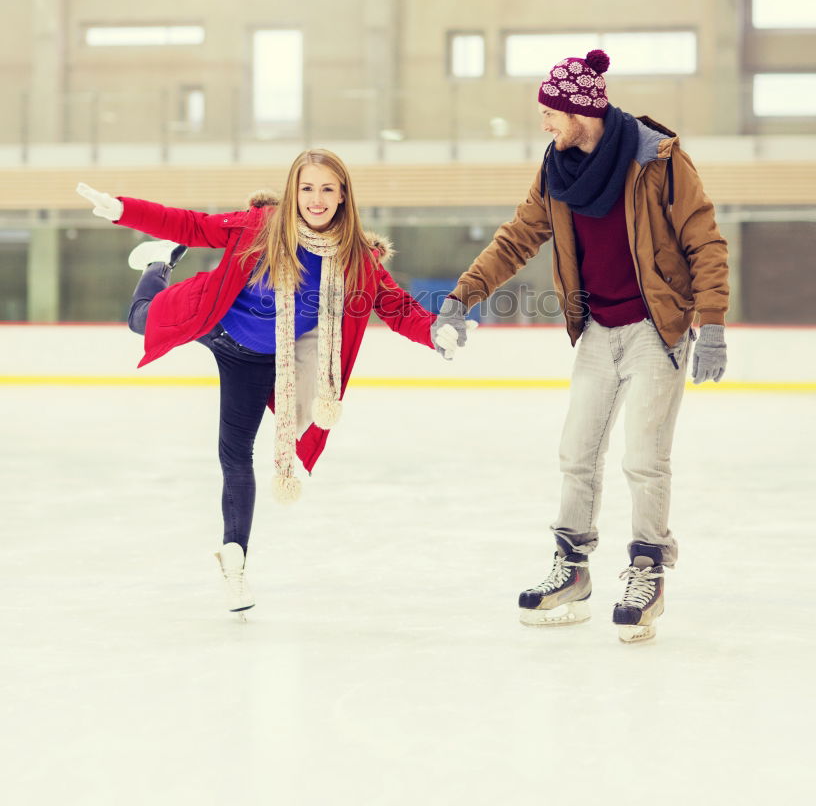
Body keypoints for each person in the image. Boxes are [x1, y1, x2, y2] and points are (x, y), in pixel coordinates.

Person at [77, 149, 469, 619]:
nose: (316, 199)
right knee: (140, 320)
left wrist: (432, 331)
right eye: (306, 188)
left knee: (234, 453)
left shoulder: (355, 261)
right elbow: (193, 226)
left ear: (343, 195)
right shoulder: (260, 227)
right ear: (293, 192)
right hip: (213, 317)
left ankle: (235, 559)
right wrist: (124, 210)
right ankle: (156, 268)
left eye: (327, 189)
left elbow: (396, 306)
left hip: (258, 360)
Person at [435, 49, 729, 643]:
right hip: (597, 329)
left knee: (645, 459)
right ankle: (572, 570)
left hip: (656, 328)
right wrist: (463, 295)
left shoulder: (659, 162)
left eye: (550, 112)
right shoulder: (557, 170)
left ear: (581, 110)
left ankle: (648, 570)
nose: (543, 124)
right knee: (577, 453)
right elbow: (518, 237)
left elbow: (705, 240)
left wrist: (714, 323)